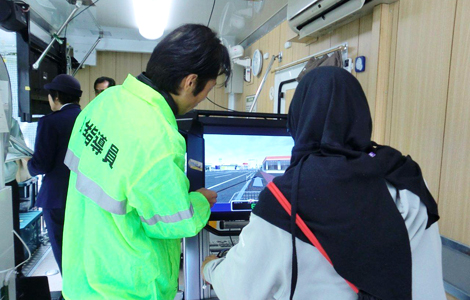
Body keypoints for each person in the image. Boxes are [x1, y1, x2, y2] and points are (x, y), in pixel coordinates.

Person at [202, 67, 445, 300]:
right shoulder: (405, 178)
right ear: (360, 115)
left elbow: (239, 290)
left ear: (299, 121)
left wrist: (211, 268)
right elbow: (426, 276)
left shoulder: (284, 199)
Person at [61, 24, 231, 300]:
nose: (201, 99)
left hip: (82, 278)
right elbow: (175, 221)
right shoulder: (159, 139)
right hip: (127, 289)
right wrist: (201, 201)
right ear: (190, 81)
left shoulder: (104, 103)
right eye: (207, 90)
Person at [27, 74, 82, 273]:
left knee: (62, 249)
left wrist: (29, 164)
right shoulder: (89, 119)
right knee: (82, 247)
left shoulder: (50, 122)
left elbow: (41, 164)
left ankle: (69, 292)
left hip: (57, 197)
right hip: (86, 195)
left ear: (56, 96)